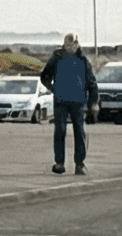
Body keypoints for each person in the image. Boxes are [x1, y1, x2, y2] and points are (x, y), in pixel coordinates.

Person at [40, 34, 97, 175]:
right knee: (60, 131)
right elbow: (44, 76)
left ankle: (79, 164)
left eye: (74, 43)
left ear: (78, 44)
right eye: (69, 43)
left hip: (78, 102)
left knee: (79, 132)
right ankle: (59, 163)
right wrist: (54, 89)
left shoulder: (83, 60)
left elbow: (92, 83)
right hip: (61, 101)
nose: (71, 46)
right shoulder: (57, 58)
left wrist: (93, 103)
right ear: (64, 44)